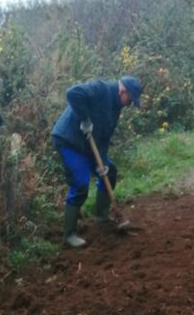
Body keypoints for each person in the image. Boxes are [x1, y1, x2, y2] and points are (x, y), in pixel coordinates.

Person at [51, 75, 142, 248]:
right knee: (80, 184)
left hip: (87, 145)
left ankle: (101, 216)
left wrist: (103, 162)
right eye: (130, 99)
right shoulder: (101, 88)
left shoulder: (116, 108)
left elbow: (104, 138)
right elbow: (73, 93)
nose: (129, 104)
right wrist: (85, 119)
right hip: (69, 140)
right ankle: (69, 235)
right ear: (123, 91)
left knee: (110, 171)